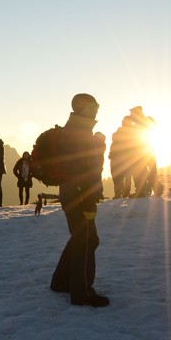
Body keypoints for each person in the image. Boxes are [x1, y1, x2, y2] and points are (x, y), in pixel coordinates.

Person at [50, 93, 110, 308]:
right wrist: (87, 195)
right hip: (79, 194)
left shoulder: (79, 129)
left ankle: (60, 282)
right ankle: (81, 292)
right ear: (83, 107)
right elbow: (78, 168)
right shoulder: (77, 132)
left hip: (77, 192)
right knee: (87, 239)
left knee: (82, 237)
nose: (97, 109)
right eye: (95, 105)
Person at [109, 116, 134, 198]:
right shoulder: (130, 133)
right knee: (124, 176)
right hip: (122, 157)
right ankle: (122, 193)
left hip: (119, 157)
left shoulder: (117, 133)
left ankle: (120, 193)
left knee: (119, 177)